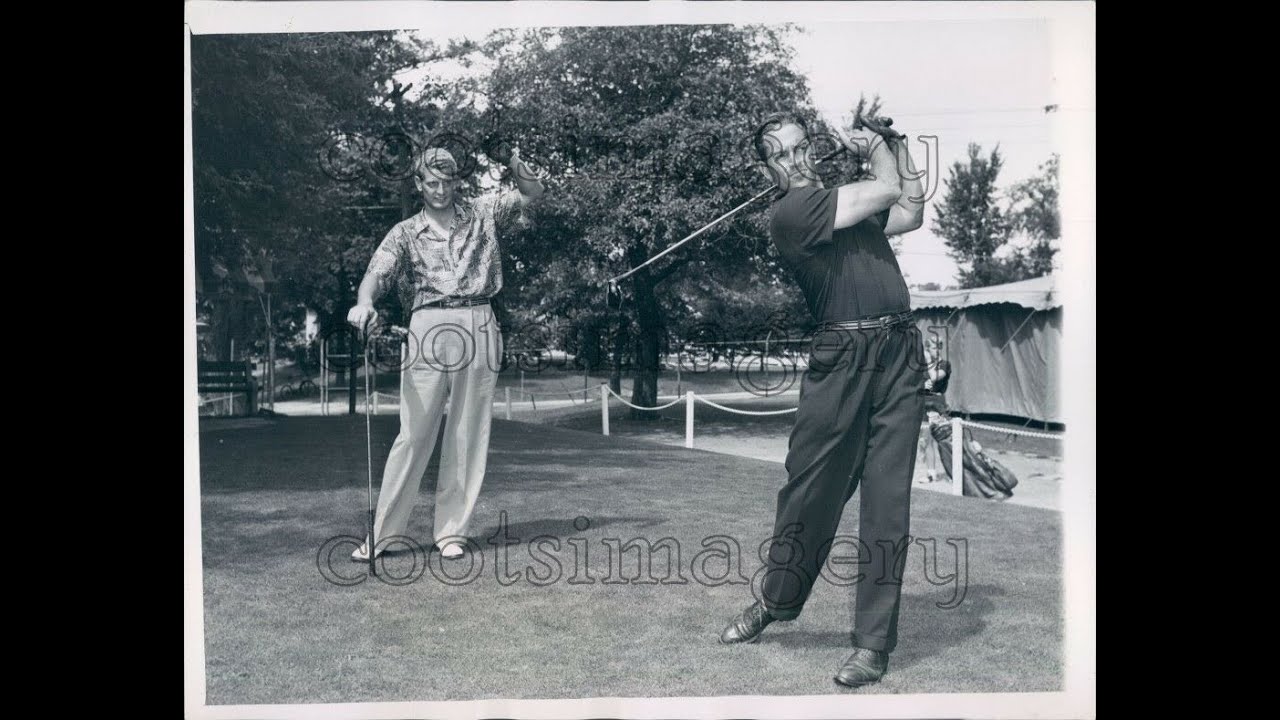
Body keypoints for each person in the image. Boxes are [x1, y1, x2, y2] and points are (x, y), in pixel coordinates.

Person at [718, 112, 928, 688]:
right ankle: (778, 600)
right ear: (769, 169)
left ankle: (873, 645)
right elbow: (885, 188)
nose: (795, 159)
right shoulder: (793, 212)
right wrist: (876, 148)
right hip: (842, 357)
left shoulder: (846, 208)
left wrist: (898, 143)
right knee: (809, 493)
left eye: (799, 146)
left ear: (812, 146)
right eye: (780, 155)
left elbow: (909, 208)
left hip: (899, 353)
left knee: (888, 504)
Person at [348, 145, 545, 561]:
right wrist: (365, 302)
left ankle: (452, 532)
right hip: (427, 325)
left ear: (458, 182)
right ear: (419, 184)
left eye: (447, 182)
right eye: (431, 183)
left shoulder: (483, 212)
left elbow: (531, 193)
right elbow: (375, 276)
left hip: (479, 319)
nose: (440, 190)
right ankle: (382, 535)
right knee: (414, 434)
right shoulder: (404, 232)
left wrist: (511, 158)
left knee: (468, 431)